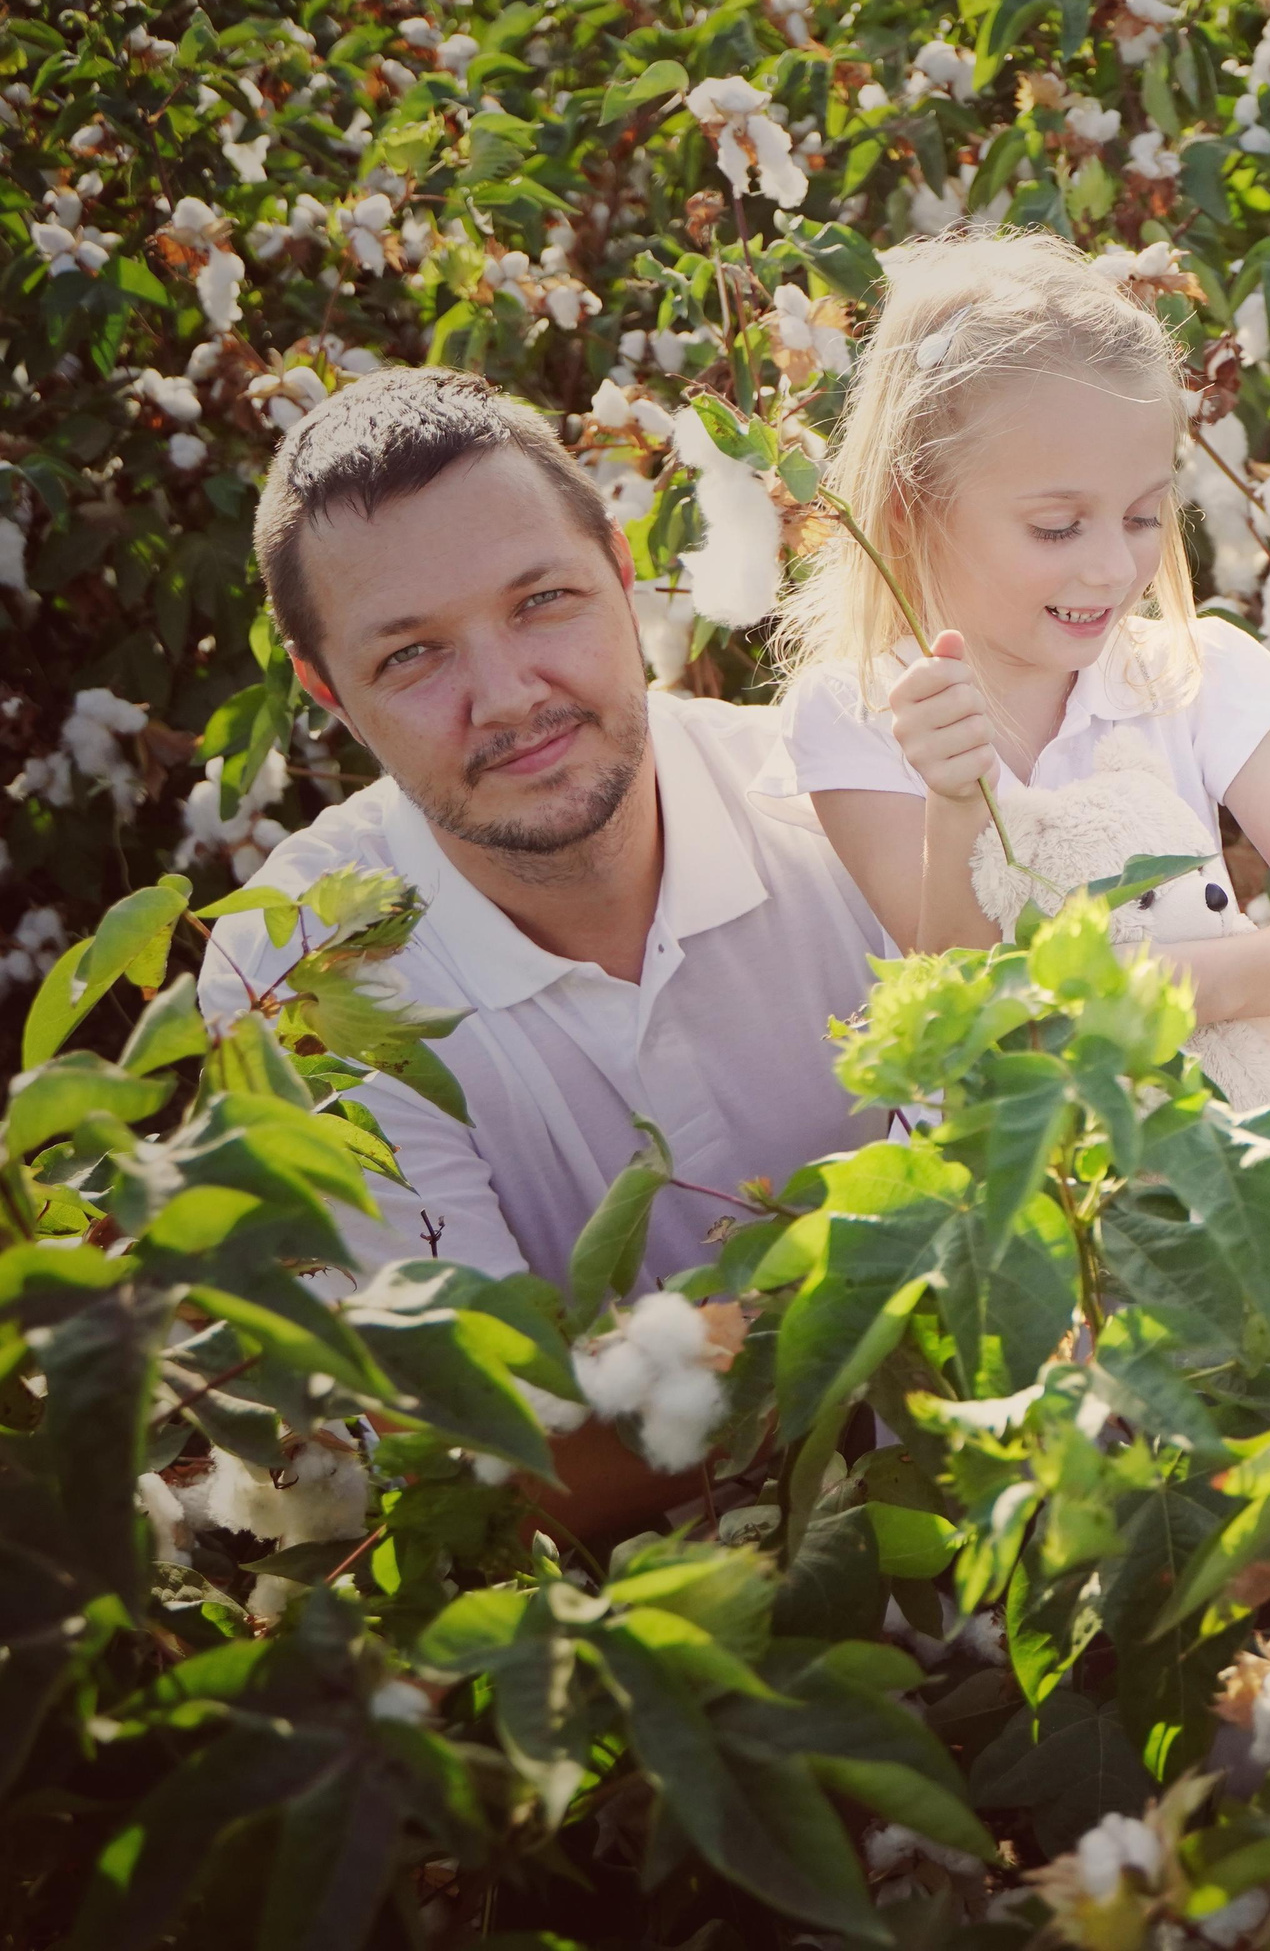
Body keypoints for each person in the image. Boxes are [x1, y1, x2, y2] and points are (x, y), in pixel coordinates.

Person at [199, 364, 902, 1539]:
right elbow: (485, 1473)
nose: (507, 694)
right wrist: (915, 1295)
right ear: (327, 693)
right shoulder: (302, 969)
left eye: (542, 601)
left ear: (626, 578)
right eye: (411, 655)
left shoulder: (847, 801)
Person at [758, 226, 1270, 1358]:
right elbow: (957, 1011)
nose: (1111, 565)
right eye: (1058, 526)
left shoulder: (1179, 678)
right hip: (1032, 1215)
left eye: (1144, 515)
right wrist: (956, 799)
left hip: (1249, 1170)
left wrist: (1170, 988)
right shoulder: (861, 714)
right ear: (913, 509)